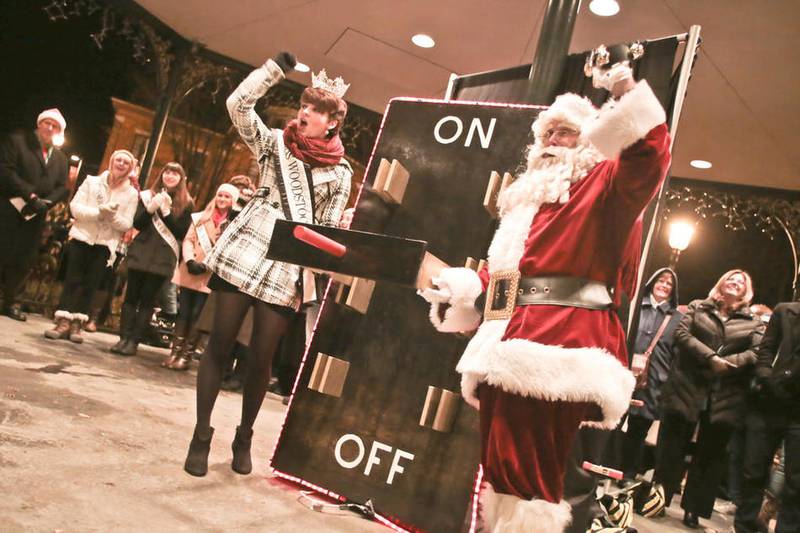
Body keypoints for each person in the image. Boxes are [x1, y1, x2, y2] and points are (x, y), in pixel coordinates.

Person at [420, 61, 671, 531]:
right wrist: (466, 287)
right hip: (505, 339)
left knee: (530, 477)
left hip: (558, 346)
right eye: (547, 132)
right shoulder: (525, 203)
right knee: (501, 472)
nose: (551, 140)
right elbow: (503, 274)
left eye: (566, 132)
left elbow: (650, 154)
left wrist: (622, 88)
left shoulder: (605, 184)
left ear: (590, 139)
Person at [183, 52, 352, 477]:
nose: (306, 113)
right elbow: (237, 106)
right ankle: (201, 434)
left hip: (287, 262)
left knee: (261, 357)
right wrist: (273, 71)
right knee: (219, 343)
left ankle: (244, 436)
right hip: (246, 247)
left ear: (332, 121)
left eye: (316, 109)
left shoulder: (342, 173)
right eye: (304, 105)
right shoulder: (276, 143)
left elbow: (327, 229)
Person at [654, 270, 764, 529]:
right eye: (730, 279)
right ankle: (658, 498)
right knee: (672, 446)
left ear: (746, 291)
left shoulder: (753, 320)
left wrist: (728, 364)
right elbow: (681, 334)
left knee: (710, 454)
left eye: (741, 282)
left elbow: (757, 351)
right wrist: (710, 358)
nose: (735, 283)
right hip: (688, 386)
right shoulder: (697, 306)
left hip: (726, 394)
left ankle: (694, 509)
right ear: (720, 283)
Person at [44, 149, 139, 342]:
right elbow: (75, 208)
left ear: (130, 168)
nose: (121, 164)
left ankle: (77, 323)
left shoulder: (131, 194)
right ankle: (63, 321)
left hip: (104, 245)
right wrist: (98, 213)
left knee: (91, 284)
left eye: (126, 162)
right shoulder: (91, 181)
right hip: (81, 238)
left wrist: (111, 216)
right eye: (118, 160)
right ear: (112, 162)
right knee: (72, 280)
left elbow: (127, 223)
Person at [110, 162, 193, 356]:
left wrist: (165, 212)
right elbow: (136, 223)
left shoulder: (187, 203)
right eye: (167, 172)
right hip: (142, 251)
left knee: (147, 301)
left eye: (175, 173)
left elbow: (181, 232)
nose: (170, 176)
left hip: (163, 256)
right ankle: (123, 338)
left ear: (181, 179)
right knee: (131, 297)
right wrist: (149, 210)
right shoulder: (147, 196)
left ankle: (133, 342)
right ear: (162, 174)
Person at [735, 301, 800, 533]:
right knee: (754, 470)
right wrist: (766, 378)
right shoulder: (784, 311)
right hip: (770, 401)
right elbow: (767, 349)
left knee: (796, 481)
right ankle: (745, 526)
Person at [0, 108, 69, 321]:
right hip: (10, 208)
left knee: (23, 259)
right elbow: (6, 171)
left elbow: (61, 187)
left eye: (55, 126)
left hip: (36, 215)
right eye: (47, 123)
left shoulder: (60, 158)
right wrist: (29, 195)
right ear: (39, 124)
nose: (50, 128)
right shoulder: (17, 141)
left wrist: (46, 203)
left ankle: (11, 302)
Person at [162, 183, 239, 370]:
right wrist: (189, 260)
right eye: (220, 195)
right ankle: (175, 352)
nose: (222, 199)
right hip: (191, 270)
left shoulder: (234, 223)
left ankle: (186, 356)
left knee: (198, 315)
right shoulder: (199, 218)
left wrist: (207, 265)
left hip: (208, 275)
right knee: (184, 312)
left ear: (233, 200)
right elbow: (188, 239)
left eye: (227, 197)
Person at [620, 268, 682, 481]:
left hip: (655, 379)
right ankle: (609, 465)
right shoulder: (636, 306)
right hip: (624, 371)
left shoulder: (676, 318)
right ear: (652, 282)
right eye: (661, 281)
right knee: (615, 419)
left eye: (669, 284)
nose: (664, 286)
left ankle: (628, 473)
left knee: (639, 427)